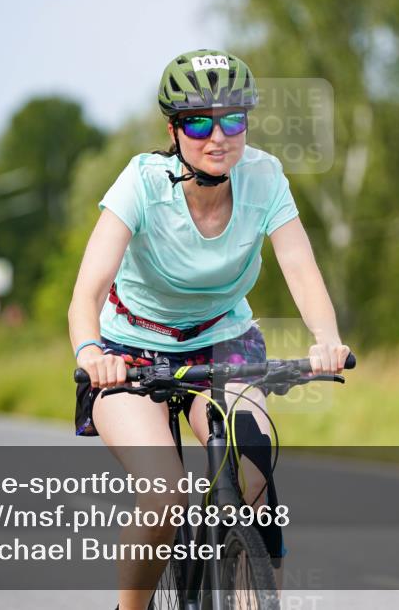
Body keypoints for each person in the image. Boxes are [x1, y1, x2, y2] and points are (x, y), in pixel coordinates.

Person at [68, 48, 350, 610]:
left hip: (223, 340)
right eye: (199, 121)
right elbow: (88, 292)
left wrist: (326, 339)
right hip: (130, 351)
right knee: (164, 494)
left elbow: (299, 265)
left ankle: (252, 599)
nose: (217, 136)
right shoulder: (142, 184)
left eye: (233, 119)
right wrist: (91, 349)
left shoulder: (264, 176)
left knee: (254, 469)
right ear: (174, 130)